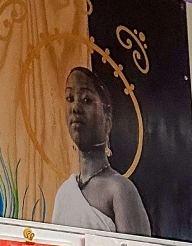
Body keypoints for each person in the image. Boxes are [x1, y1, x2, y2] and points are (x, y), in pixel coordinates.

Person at [52, 67, 151, 236]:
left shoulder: (120, 189)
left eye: (87, 100)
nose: (75, 108)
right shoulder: (64, 193)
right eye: (70, 98)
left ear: (107, 120)